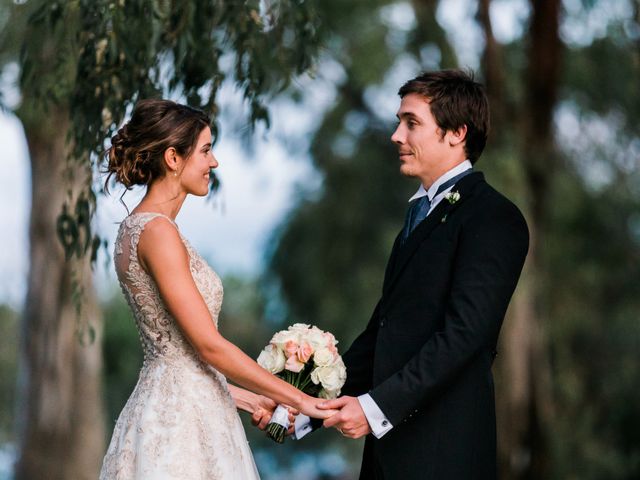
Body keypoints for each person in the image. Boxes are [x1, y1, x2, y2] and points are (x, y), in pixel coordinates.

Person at [306, 70, 529, 479]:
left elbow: (464, 335)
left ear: (456, 133)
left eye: (411, 123)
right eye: (399, 122)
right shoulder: (417, 217)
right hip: (386, 459)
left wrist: (373, 409)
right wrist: (300, 408)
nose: (396, 135)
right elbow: (381, 336)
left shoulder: (494, 218)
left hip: (444, 456)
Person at [99, 99, 333, 479]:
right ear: (173, 158)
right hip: (179, 427)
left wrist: (251, 397)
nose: (215, 162)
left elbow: (184, 359)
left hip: (174, 406)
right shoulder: (157, 232)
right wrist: (301, 400)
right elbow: (208, 346)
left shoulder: (137, 229)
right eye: (206, 150)